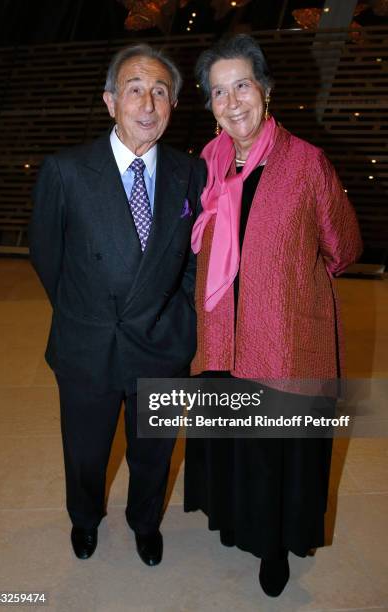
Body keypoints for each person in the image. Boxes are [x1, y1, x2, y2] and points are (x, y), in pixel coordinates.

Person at [184, 34, 362, 597]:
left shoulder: (306, 163)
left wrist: (290, 280)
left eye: (242, 85)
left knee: (275, 448)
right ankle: (237, 523)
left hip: (283, 336)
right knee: (238, 443)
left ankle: (276, 548)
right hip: (220, 336)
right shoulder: (209, 163)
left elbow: (345, 247)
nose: (232, 102)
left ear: (265, 89)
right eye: (218, 91)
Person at [29, 43, 205, 565]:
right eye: (134, 90)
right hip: (89, 342)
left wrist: (183, 317)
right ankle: (84, 519)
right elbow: (47, 256)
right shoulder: (65, 171)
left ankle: (144, 522)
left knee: (154, 450)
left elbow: (199, 254)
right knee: (85, 451)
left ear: (172, 104)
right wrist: (86, 312)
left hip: (163, 340)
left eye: (160, 92)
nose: (147, 104)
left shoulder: (190, 173)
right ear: (110, 101)